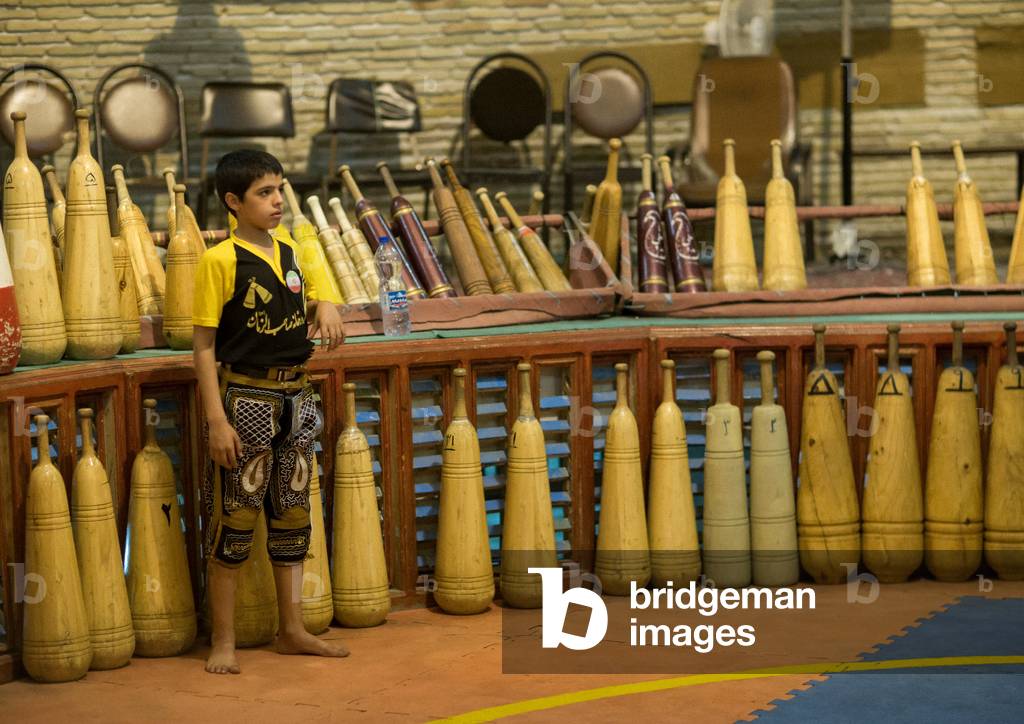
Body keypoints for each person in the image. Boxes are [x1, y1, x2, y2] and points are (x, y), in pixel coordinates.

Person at [192, 149, 348, 674]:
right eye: (264, 192)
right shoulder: (220, 261)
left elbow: (313, 294)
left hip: (298, 399)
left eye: (279, 189)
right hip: (246, 401)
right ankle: (225, 639)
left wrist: (324, 304)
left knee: (293, 516)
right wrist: (216, 420)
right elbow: (203, 347)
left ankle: (293, 630)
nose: (277, 200)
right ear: (233, 202)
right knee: (234, 520)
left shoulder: (292, 250)